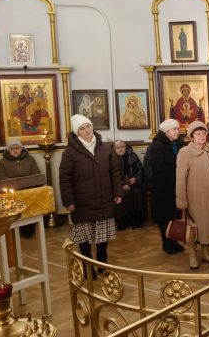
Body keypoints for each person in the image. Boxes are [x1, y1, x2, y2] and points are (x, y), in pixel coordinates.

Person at [59, 114, 122, 278]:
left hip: (104, 199)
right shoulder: (70, 152)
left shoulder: (105, 148)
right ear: (76, 132)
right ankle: (88, 268)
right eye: (82, 128)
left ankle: (102, 265)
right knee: (84, 239)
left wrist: (118, 192)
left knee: (102, 238)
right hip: (81, 202)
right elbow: (64, 179)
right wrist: (68, 201)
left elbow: (115, 172)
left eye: (88, 126)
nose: (86, 130)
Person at [176, 121, 209, 269]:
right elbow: (180, 178)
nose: (201, 136)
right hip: (195, 198)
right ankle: (192, 254)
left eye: (203, 133)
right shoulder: (185, 152)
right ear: (191, 136)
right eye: (197, 133)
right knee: (194, 228)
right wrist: (182, 200)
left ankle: (205, 252)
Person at [144, 119, 185, 255]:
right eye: (174, 129)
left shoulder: (178, 143)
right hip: (163, 187)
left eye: (178, 129)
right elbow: (160, 167)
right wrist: (177, 178)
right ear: (166, 131)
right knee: (165, 217)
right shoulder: (157, 145)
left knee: (174, 216)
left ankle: (174, 240)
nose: (177, 131)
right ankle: (166, 243)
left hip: (176, 185)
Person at [0, 138, 41, 237]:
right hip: (12, 191)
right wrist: (15, 183)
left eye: (17, 148)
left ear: (21, 149)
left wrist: (26, 182)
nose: (15, 151)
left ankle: (30, 226)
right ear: (8, 150)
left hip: (28, 189)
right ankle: (18, 228)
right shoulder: (2, 162)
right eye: (12, 149)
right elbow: (1, 177)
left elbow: (36, 174)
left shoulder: (30, 159)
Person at [112, 140, 145, 230]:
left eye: (122, 147)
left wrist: (136, 178)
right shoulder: (111, 158)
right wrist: (122, 185)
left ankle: (137, 220)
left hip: (133, 183)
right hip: (118, 185)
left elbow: (140, 170)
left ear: (126, 147)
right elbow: (111, 175)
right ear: (114, 149)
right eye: (118, 148)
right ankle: (123, 221)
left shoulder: (133, 156)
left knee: (138, 193)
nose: (120, 149)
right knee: (122, 194)